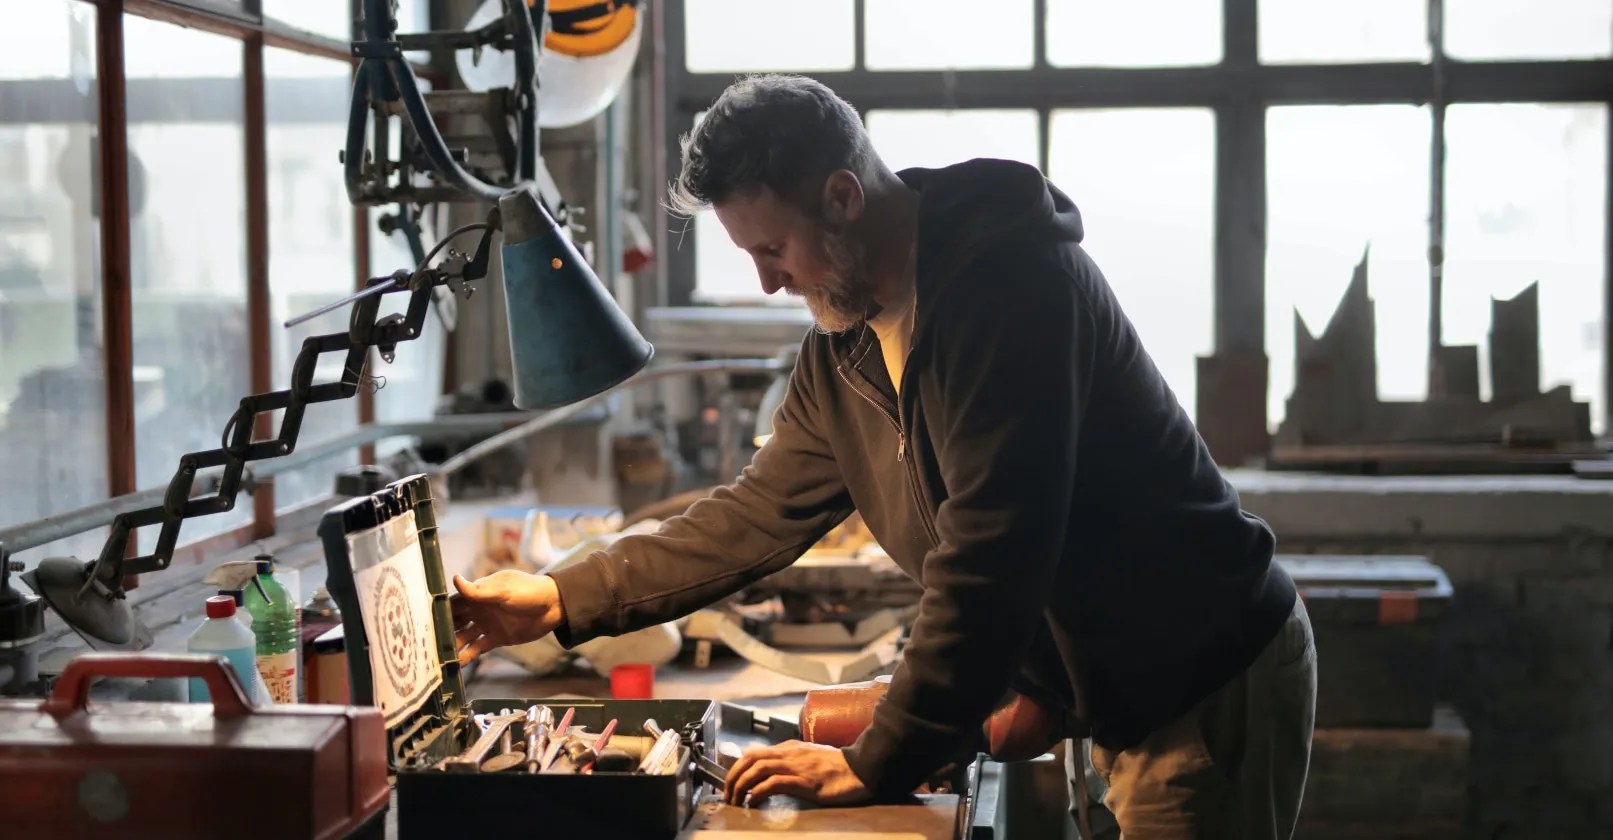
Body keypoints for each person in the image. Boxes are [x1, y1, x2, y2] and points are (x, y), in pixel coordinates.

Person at [449, 73, 1317, 838]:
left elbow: (991, 559)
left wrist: (878, 762)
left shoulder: (1010, 294)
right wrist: (561, 596)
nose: (767, 282)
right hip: (1112, 689)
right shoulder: (846, 344)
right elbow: (755, 514)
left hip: (1198, 684)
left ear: (842, 196)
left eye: (772, 249)